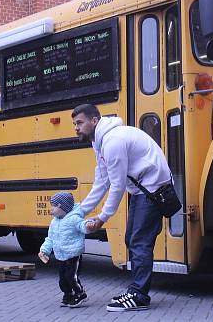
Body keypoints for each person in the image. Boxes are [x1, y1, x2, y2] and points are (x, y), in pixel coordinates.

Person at [73, 104, 172, 312]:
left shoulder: (112, 141)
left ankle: (139, 295)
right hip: (142, 190)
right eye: (74, 124)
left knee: (139, 241)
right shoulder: (99, 143)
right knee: (132, 239)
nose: (76, 128)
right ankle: (137, 291)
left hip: (152, 188)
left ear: (94, 120)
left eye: (80, 122)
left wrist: (102, 217)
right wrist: (79, 212)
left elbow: (117, 185)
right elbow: (102, 180)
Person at [38, 191, 89, 308]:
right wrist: (44, 250)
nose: (51, 209)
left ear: (63, 207)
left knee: (71, 276)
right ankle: (68, 294)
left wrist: (88, 225)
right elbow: (50, 238)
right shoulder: (54, 222)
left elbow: (82, 226)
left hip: (73, 254)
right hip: (61, 255)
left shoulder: (74, 218)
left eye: (54, 206)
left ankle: (80, 293)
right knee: (62, 279)